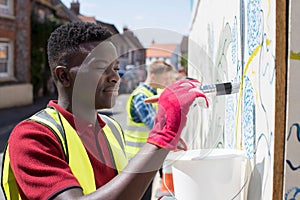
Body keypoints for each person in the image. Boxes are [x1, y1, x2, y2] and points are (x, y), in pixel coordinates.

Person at [1, 22, 209, 200]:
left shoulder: (111, 128)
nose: (115, 77)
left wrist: (160, 149)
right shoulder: (32, 136)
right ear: (64, 76)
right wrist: (163, 135)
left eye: (116, 68)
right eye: (101, 67)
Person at [124, 60, 175, 199]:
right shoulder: (142, 97)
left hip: (150, 156)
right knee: (141, 196)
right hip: (138, 158)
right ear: (153, 77)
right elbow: (156, 126)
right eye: (166, 79)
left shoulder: (155, 93)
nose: (168, 82)